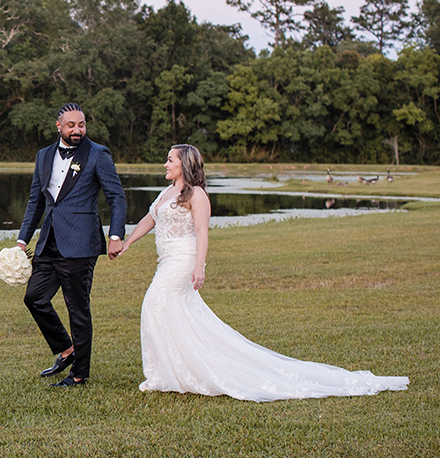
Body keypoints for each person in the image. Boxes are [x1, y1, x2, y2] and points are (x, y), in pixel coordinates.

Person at [113, 144, 409, 401]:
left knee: (154, 304)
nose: (165, 164)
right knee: (171, 314)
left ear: (185, 165)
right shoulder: (166, 192)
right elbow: (149, 219)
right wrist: (127, 243)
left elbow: (202, 233)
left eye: (170, 160)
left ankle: (170, 374)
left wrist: (199, 266)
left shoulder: (197, 194)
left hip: (182, 260)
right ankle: (170, 373)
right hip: (165, 260)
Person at [17, 103, 127, 387]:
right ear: (59, 127)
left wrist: (115, 236)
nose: (77, 130)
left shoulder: (98, 154)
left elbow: (116, 197)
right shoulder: (43, 156)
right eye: (71, 126)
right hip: (48, 243)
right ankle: (67, 349)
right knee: (35, 298)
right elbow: (36, 201)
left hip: (81, 243)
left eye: (81, 125)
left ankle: (79, 374)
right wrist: (22, 240)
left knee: (77, 308)